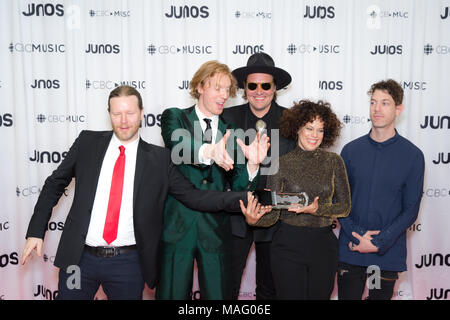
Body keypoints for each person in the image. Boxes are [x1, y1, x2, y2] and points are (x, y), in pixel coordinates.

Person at [21, 85, 265, 300]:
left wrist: (246, 197)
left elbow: (195, 196)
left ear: (141, 113)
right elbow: (55, 183)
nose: (123, 120)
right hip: (79, 261)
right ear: (109, 115)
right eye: (117, 113)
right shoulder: (87, 143)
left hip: (128, 265)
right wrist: (35, 231)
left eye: (130, 113)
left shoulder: (159, 160)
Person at [156, 61, 270, 300]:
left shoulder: (233, 132)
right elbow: (178, 145)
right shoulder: (175, 117)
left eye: (227, 90)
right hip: (178, 230)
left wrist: (253, 164)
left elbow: (240, 188)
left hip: (217, 233)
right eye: (217, 88)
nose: (223, 95)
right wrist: (210, 151)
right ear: (200, 86)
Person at [251, 100, 351, 299]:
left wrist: (316, 209)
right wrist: (253, 219)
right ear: (297, 128)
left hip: (323, 246)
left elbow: (345, 207)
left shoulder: (334, 162)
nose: (315, 135)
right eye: (309, 128)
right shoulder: (281, 164)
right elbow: (273, 214)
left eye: (320, 130)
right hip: (288, 245)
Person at [337, 79, 425, 300]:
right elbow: (339, 200)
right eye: (373, 102)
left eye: (385, 103)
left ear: (398, 109)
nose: (377, 108)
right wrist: (358, 238)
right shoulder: (350, 151)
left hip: (383, 255)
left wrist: (378, 242)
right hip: (352, 250)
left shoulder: (412, 156)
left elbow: (411, 209)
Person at [222, 52, 296, 300]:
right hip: (235, 214)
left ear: (275, 88)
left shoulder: (292, 121)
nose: (259, 91)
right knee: (226, 285)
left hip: (276, 218)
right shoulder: (227, 119)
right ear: (245, 88)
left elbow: (297, 171)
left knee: (271, 288)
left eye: (266, 85)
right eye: (252, 85)